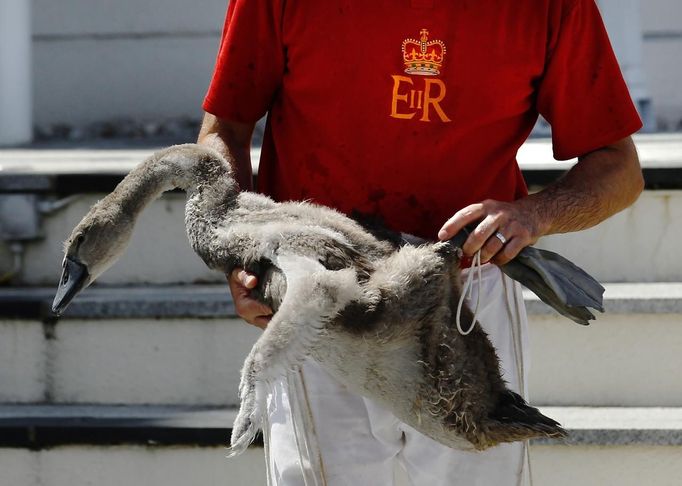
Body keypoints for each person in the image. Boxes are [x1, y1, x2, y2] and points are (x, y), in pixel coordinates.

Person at [197, 1, 644, 484]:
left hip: (471, 289)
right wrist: (239, 251)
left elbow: (619, 169)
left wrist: (532, 215)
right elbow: (224, 130)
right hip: (318, 288)